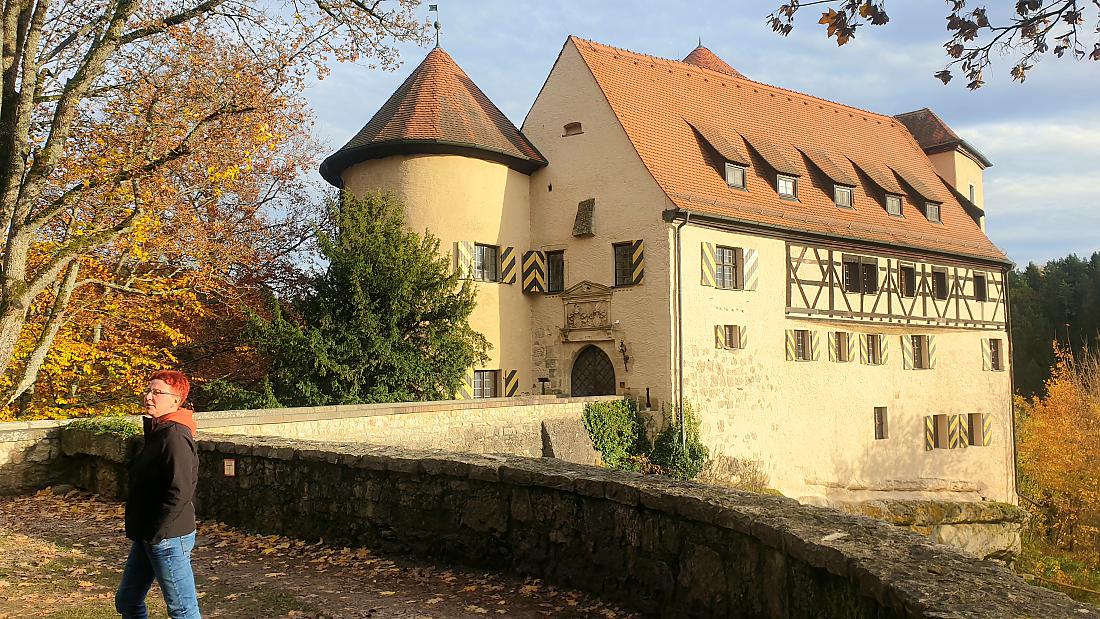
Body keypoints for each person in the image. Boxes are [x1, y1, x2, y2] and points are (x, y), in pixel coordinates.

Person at [115, 370, 201, 619]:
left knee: (182, 610)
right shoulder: (159, 430)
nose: (149, 396)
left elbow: (180, 489)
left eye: (157, 392)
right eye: (148, 390)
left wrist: (159, 530)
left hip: (168, 536)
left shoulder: (174, 435)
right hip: (149, 533)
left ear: (176, 400)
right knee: (127, 602)